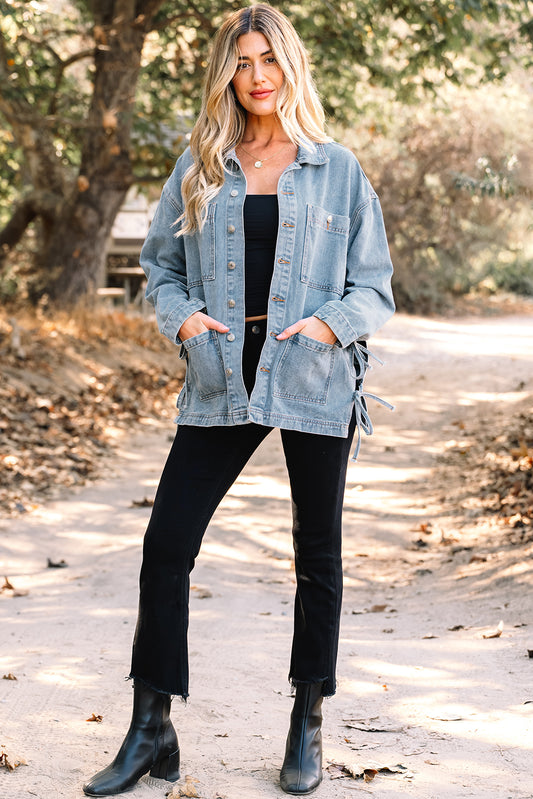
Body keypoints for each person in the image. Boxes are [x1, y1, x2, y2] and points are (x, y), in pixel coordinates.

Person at [83, 4, 394, 796]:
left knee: (316, 553)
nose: (257, 77)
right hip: (221, 372)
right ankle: (151, 726)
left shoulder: (337, 168)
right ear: (225, 74)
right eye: (241, 62)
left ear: (289, 65)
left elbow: (373, 287)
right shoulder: (200, 166)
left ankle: (306, 719)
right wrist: (182, 317)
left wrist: (327, 324)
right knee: (166, 543)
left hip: (311, 372)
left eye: (268, 60)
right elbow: (160, 268)